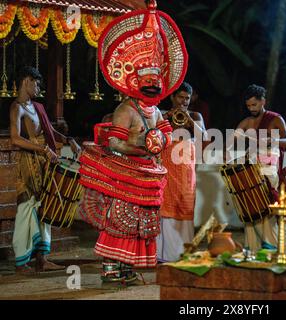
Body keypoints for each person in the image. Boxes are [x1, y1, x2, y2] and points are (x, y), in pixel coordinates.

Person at [77, 0, 188, 283]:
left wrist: (159, 140)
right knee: (120, 221)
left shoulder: (158, 110)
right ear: (136, 82)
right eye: (148, 79)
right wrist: (142, 145)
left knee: (142, 224)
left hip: (148, 174)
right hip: (126, 174)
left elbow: (166, 134)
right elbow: (114, 143)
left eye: (156, 79)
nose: (153, 84)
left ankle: (127, 267)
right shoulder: (125, 110)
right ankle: (111, 268)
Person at [9, 66, 81, 273]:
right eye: (36, 83)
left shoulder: (36, 106)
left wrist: (68, 140)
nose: (38, 87)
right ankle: (21, 262)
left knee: (45, 207)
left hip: (43, 161)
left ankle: (42, 259)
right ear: (26, 81)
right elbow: (15, 138)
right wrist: (43, 148)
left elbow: (49, 130)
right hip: (28, 164)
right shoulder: (17, 107)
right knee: (26, 209)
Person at [234, 84, 286, 253]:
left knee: (265, 204)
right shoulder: (247, 122)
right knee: (250, 202)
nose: (251, 109)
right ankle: (252, 247)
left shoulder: (275, 119)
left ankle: (272, 245)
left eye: (254, 105)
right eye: (248, 106)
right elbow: (232, 141)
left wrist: (271, 141)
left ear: (263, 102)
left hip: (269, 166)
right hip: (252, 166)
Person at [156, 82, 207, 262]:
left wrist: (189, 120)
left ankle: (181, 253)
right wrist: (167, 117)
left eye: (187, 98)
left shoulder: (195, 115)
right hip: (166, 165)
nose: (184, 101)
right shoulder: (161, 114)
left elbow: (205, 137)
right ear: (172, 97)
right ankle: (163, 255)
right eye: (180, 97)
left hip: (186, 168)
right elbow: (152, 134)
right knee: (165, 206)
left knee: (185, 204)